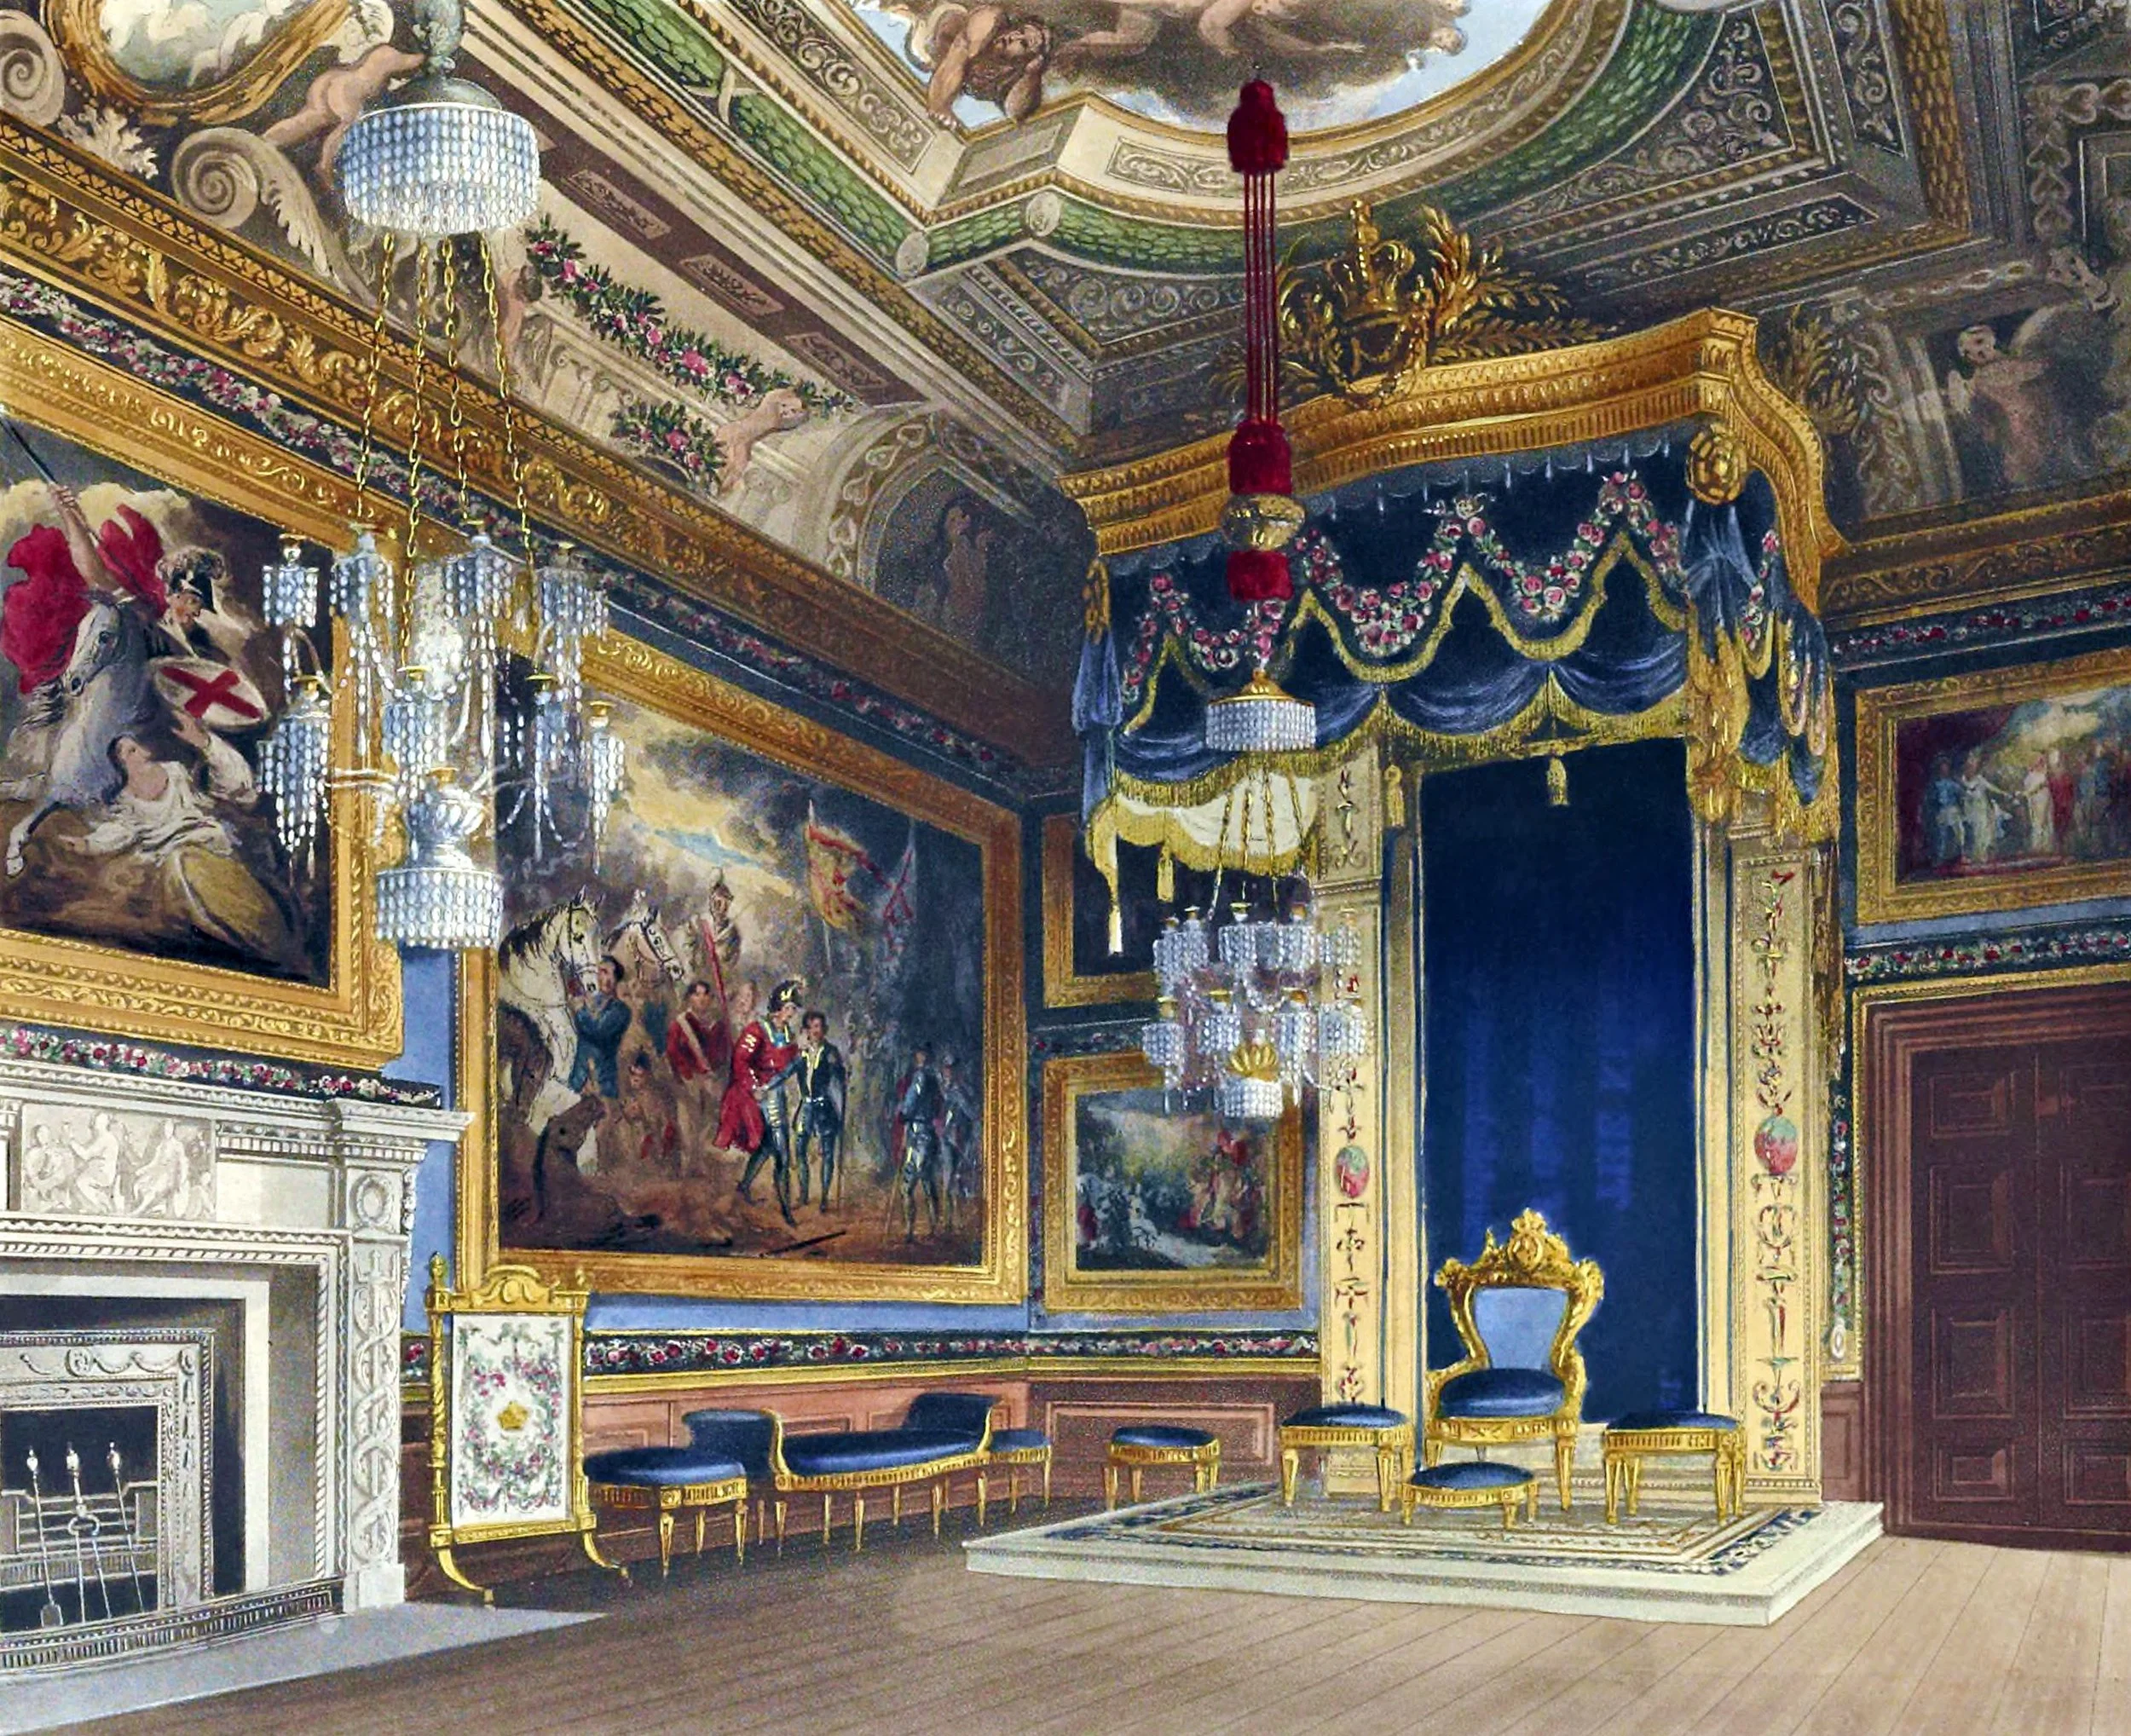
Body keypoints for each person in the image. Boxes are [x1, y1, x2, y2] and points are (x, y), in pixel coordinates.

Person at [68, 730, 300, 970]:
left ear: (144, 750)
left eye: (133, 748)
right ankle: (217, 931)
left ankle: (254, 932)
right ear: (120, 763)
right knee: (178, 865)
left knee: (201, 867)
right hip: (164, 849)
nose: (130, 755)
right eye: (123, 753)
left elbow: (218, 790)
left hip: (202, 837)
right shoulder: (127, 797)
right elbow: (119, 830)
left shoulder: (175, 772)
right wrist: (88, 844)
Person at [728, 979, 804, 1227]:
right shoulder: (757, 1030)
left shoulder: (788, 1034)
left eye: (794, 1009)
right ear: (779, 1007)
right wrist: (753, 1087)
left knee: (771, 1148)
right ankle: (785, 1209)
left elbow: (789, 1066)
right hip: (758, 1096)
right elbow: (740, 1061)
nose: (792, 1013)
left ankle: (746, 1187)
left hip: (777, 1095)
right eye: (789, 1008)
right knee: (779, 1151)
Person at [665, 977, 731, 1171]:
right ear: (689, 998)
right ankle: (688, 1165)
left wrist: (715, 1073)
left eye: (705, 995)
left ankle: (703, 1162)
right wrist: (686, 1074)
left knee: (709, 1121)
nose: (701, 999)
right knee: (688, 1122)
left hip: (711, 1079)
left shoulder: (718, 1025)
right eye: (697, 995)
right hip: (688, 1079)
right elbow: (673, 1051)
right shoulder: (681, 1024)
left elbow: (724, 1051)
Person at [794, 1009, 846, 1211]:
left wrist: (841, 1071)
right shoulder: (801, 1052)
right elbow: (789, 1070)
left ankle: (824, 1197)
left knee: (828, 1153)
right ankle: (804, 1195)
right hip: (806, 1106)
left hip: (824, 1108)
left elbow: (839, 1077)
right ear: (806, 1030)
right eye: (812, 1027)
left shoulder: (831, 1051)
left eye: (819, 1027)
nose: (816, 1031)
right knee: (800, 1150)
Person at [892, 1041, 945, 1242]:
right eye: (918, 1054)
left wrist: (903, 1113)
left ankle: (917, 1230)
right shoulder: (934, 1078)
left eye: (922, 1054)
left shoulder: (922, 1077)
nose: (919, 1057)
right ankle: (925, 1229)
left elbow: (911, 1103)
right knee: (925, 1181)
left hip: (920, 1134)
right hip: (923, 1133)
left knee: (913, 1183)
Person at [567, 954, 632, 1099]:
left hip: (602, 1085)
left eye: (609, 973)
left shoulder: (621, 1010)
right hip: (579, 1079)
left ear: (616, 979)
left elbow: (597, 1030)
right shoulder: (592, 1001)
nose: (605, 979)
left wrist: (579, 1010)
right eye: (602, 972)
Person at [938, 1049, 979, 1231]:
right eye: (946, 1068)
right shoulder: (942, 1089)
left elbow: (973, 1113)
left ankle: (959, 1219)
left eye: (952, 1069)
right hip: (945, 1137)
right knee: (948, 1177)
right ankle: (947, 1220)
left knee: (959, 1176)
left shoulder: (964, 1090)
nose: (949, 1072)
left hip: (962, 1138)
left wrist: (960, 1099)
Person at [1925, 753, 1964, 868]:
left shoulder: (1953, 783)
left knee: (1959, 833)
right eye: (1942, 766)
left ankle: (1960, 855)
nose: (1944, 769)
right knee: (1941, 835)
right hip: (1942, 811)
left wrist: (1961, 809)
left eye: (1946, 766)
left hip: (1953, 810)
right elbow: (1930, 799)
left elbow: (1961, 796)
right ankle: (1939, 858)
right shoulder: (1934, 784)